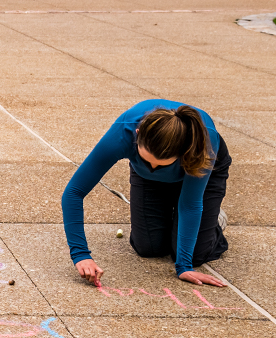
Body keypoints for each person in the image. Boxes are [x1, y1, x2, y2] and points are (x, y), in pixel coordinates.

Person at [62, 100, 229, 287]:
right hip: (145, 177)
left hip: (199, 169)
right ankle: (173, 216)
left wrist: (184, 266)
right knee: (148, 248)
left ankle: (214, 219)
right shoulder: (123, 133)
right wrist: (81, 255)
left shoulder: (202, 143)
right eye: (147, 160)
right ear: (138, 134)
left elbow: (190, 204)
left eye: (161, 164)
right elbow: (74, 192)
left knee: (196, 254)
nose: (153, 168)